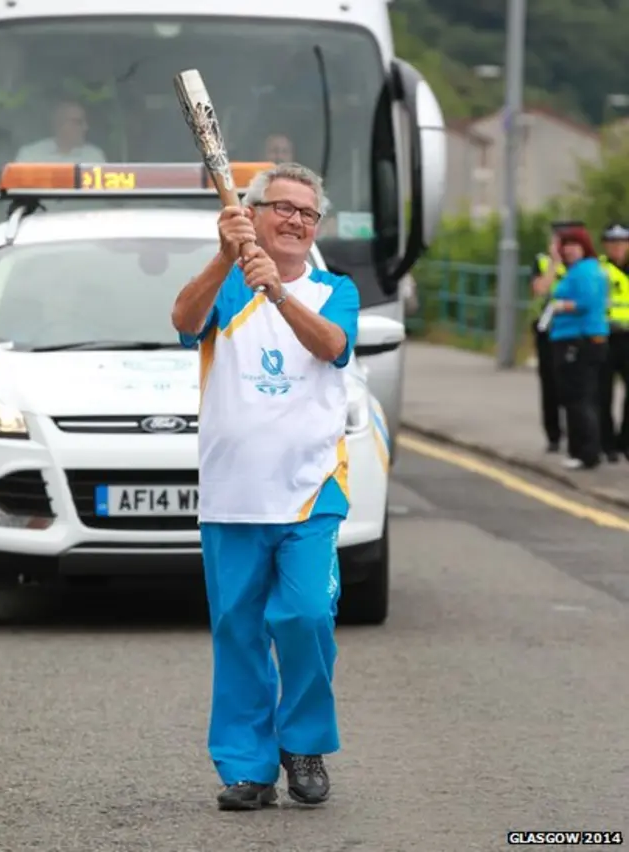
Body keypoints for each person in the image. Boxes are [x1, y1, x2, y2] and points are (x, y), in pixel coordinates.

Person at [171, 162, 360, 811]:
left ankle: (303, 743)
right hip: (231, 494)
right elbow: (181, 317)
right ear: (252, 213)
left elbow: (333, 345)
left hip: (310, 490)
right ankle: (248, 767)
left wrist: (279, 292)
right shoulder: (227, 286)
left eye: (308, 213)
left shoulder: (336, 290)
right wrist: (225, 258)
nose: (297, 221)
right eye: (282, 207)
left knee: (306, 615)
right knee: (239, 632)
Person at [545, 225, 609, 470]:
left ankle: (587, 453)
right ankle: (580, 450)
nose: (568, 250)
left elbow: (586, 302)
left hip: (579, 339)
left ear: (584, 247)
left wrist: (560, 306)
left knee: (579, 398)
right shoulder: (576, 270)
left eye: (573, 245)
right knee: (575, 397)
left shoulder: (586, 271)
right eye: (565, 246)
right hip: (571, 337)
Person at [529, 223, 574, 453]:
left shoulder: (581, 263)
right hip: (547, 329)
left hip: (573, 330)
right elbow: (539, 289)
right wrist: (554, 264)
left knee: (575, 385)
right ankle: (554, 435)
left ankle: (576, 433)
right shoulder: (542, 262)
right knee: (550, 384)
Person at [598, 223, 629, 462]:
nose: (617, 248)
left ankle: (625, 441)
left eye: (622, 242)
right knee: (602, 393)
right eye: (613, 243)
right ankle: (606, 444)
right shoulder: (599, 269)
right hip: (605, 336)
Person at [15, 99, 106, 163]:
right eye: (78, 122)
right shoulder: (31, 155)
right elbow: (17, 189)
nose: (85, 127)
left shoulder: (94, 157)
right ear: (59, 125)